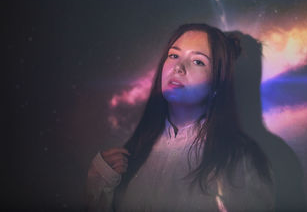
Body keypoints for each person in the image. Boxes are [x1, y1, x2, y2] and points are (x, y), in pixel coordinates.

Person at [86, 23, 275, 211]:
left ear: (218, 83)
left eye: (198, 61)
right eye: (174, 55)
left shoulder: (238, 159)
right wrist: (99, 187)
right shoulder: (135, 149)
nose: (178, 67)